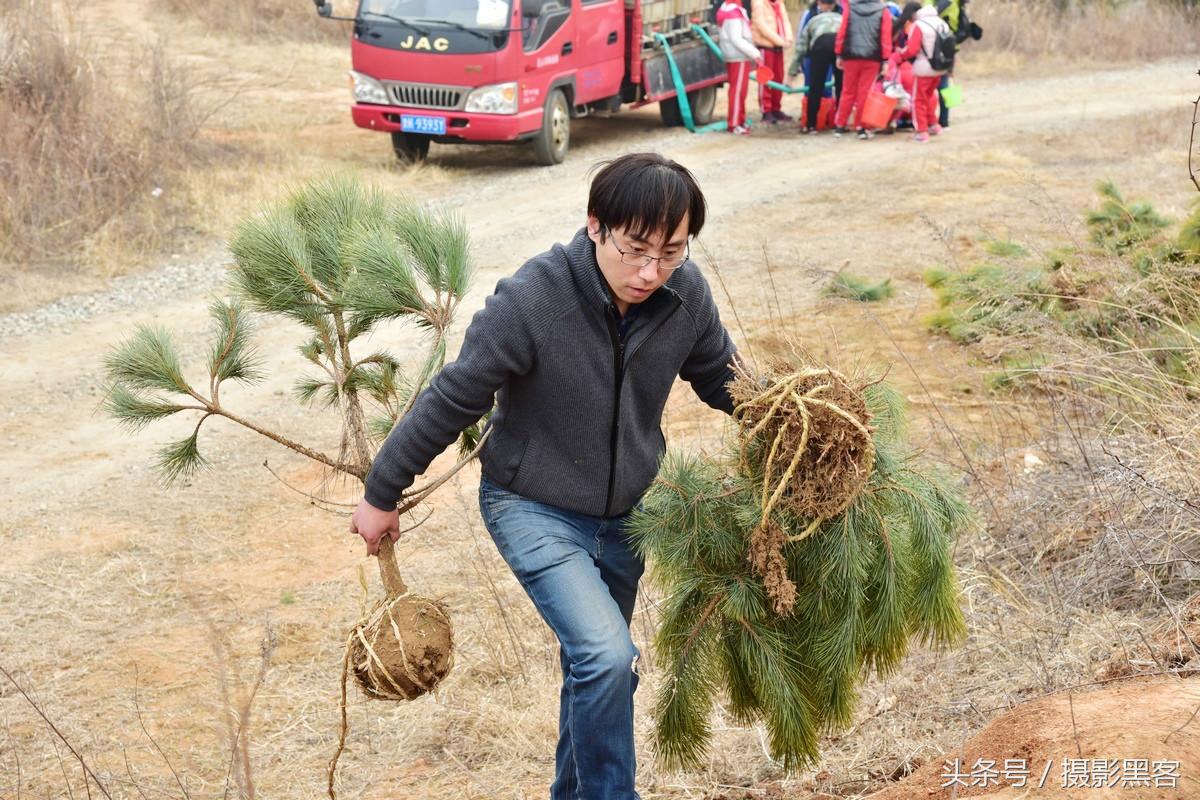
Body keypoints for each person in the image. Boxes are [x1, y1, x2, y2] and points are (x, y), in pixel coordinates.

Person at [350, 153, 741, 800]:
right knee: (608, 657)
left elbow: (723, 378)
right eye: (635, 249)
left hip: (627, 518)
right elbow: (454, 397)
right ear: (595, 226)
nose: (650, 272)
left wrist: (796, 421)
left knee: (601, 670)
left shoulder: (684, 294)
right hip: (533, 506)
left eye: (670, 252)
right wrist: (380, 494)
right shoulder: (533, 301)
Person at [832, 0, 892, 139]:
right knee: (864, 92)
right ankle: (861, 127)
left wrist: (839, 53)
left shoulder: (850, 7)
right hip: (872, 57)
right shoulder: (883, 11)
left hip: (851, 56)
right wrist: (885, 60)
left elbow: (843, 31)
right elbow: (885, 37)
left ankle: (840, 125)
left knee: (847, 91)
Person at [892, 2, 951, 141]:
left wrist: (900, 55)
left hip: (924, 68)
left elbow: (912, 49)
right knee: (929, 97)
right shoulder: (942, 23)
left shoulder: (919, 25)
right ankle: (934, 125)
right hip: (939, 67)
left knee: (918, 99)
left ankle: (921, 131)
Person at [794, 0, 843, 134]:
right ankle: (840, 124)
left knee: (816, 86)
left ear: (820, 4)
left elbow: (801, 46)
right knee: (841, 86)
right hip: (839, 45)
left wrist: (793, 71)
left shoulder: (813, 18)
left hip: (819, 46)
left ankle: (811, 125)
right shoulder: (843, 18)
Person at [718, 0, 763, 135]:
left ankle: (739, 121)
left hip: (734, 55)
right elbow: (736, 38)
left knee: (737, 90)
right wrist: (755, 53)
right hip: (739, 56)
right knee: (738, 91)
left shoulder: (726, 8)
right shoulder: (733, 13)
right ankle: (735, 123)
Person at [750, 0, 794, 123]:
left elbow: (785, 21)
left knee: (778, 78)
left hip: (778, 46)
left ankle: (776, 108)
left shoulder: (779, 3)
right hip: (766, 45)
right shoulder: (759, 3)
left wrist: (788, 38)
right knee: (765, 78)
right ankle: (766, 110)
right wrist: (779, 40)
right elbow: (761, 25)